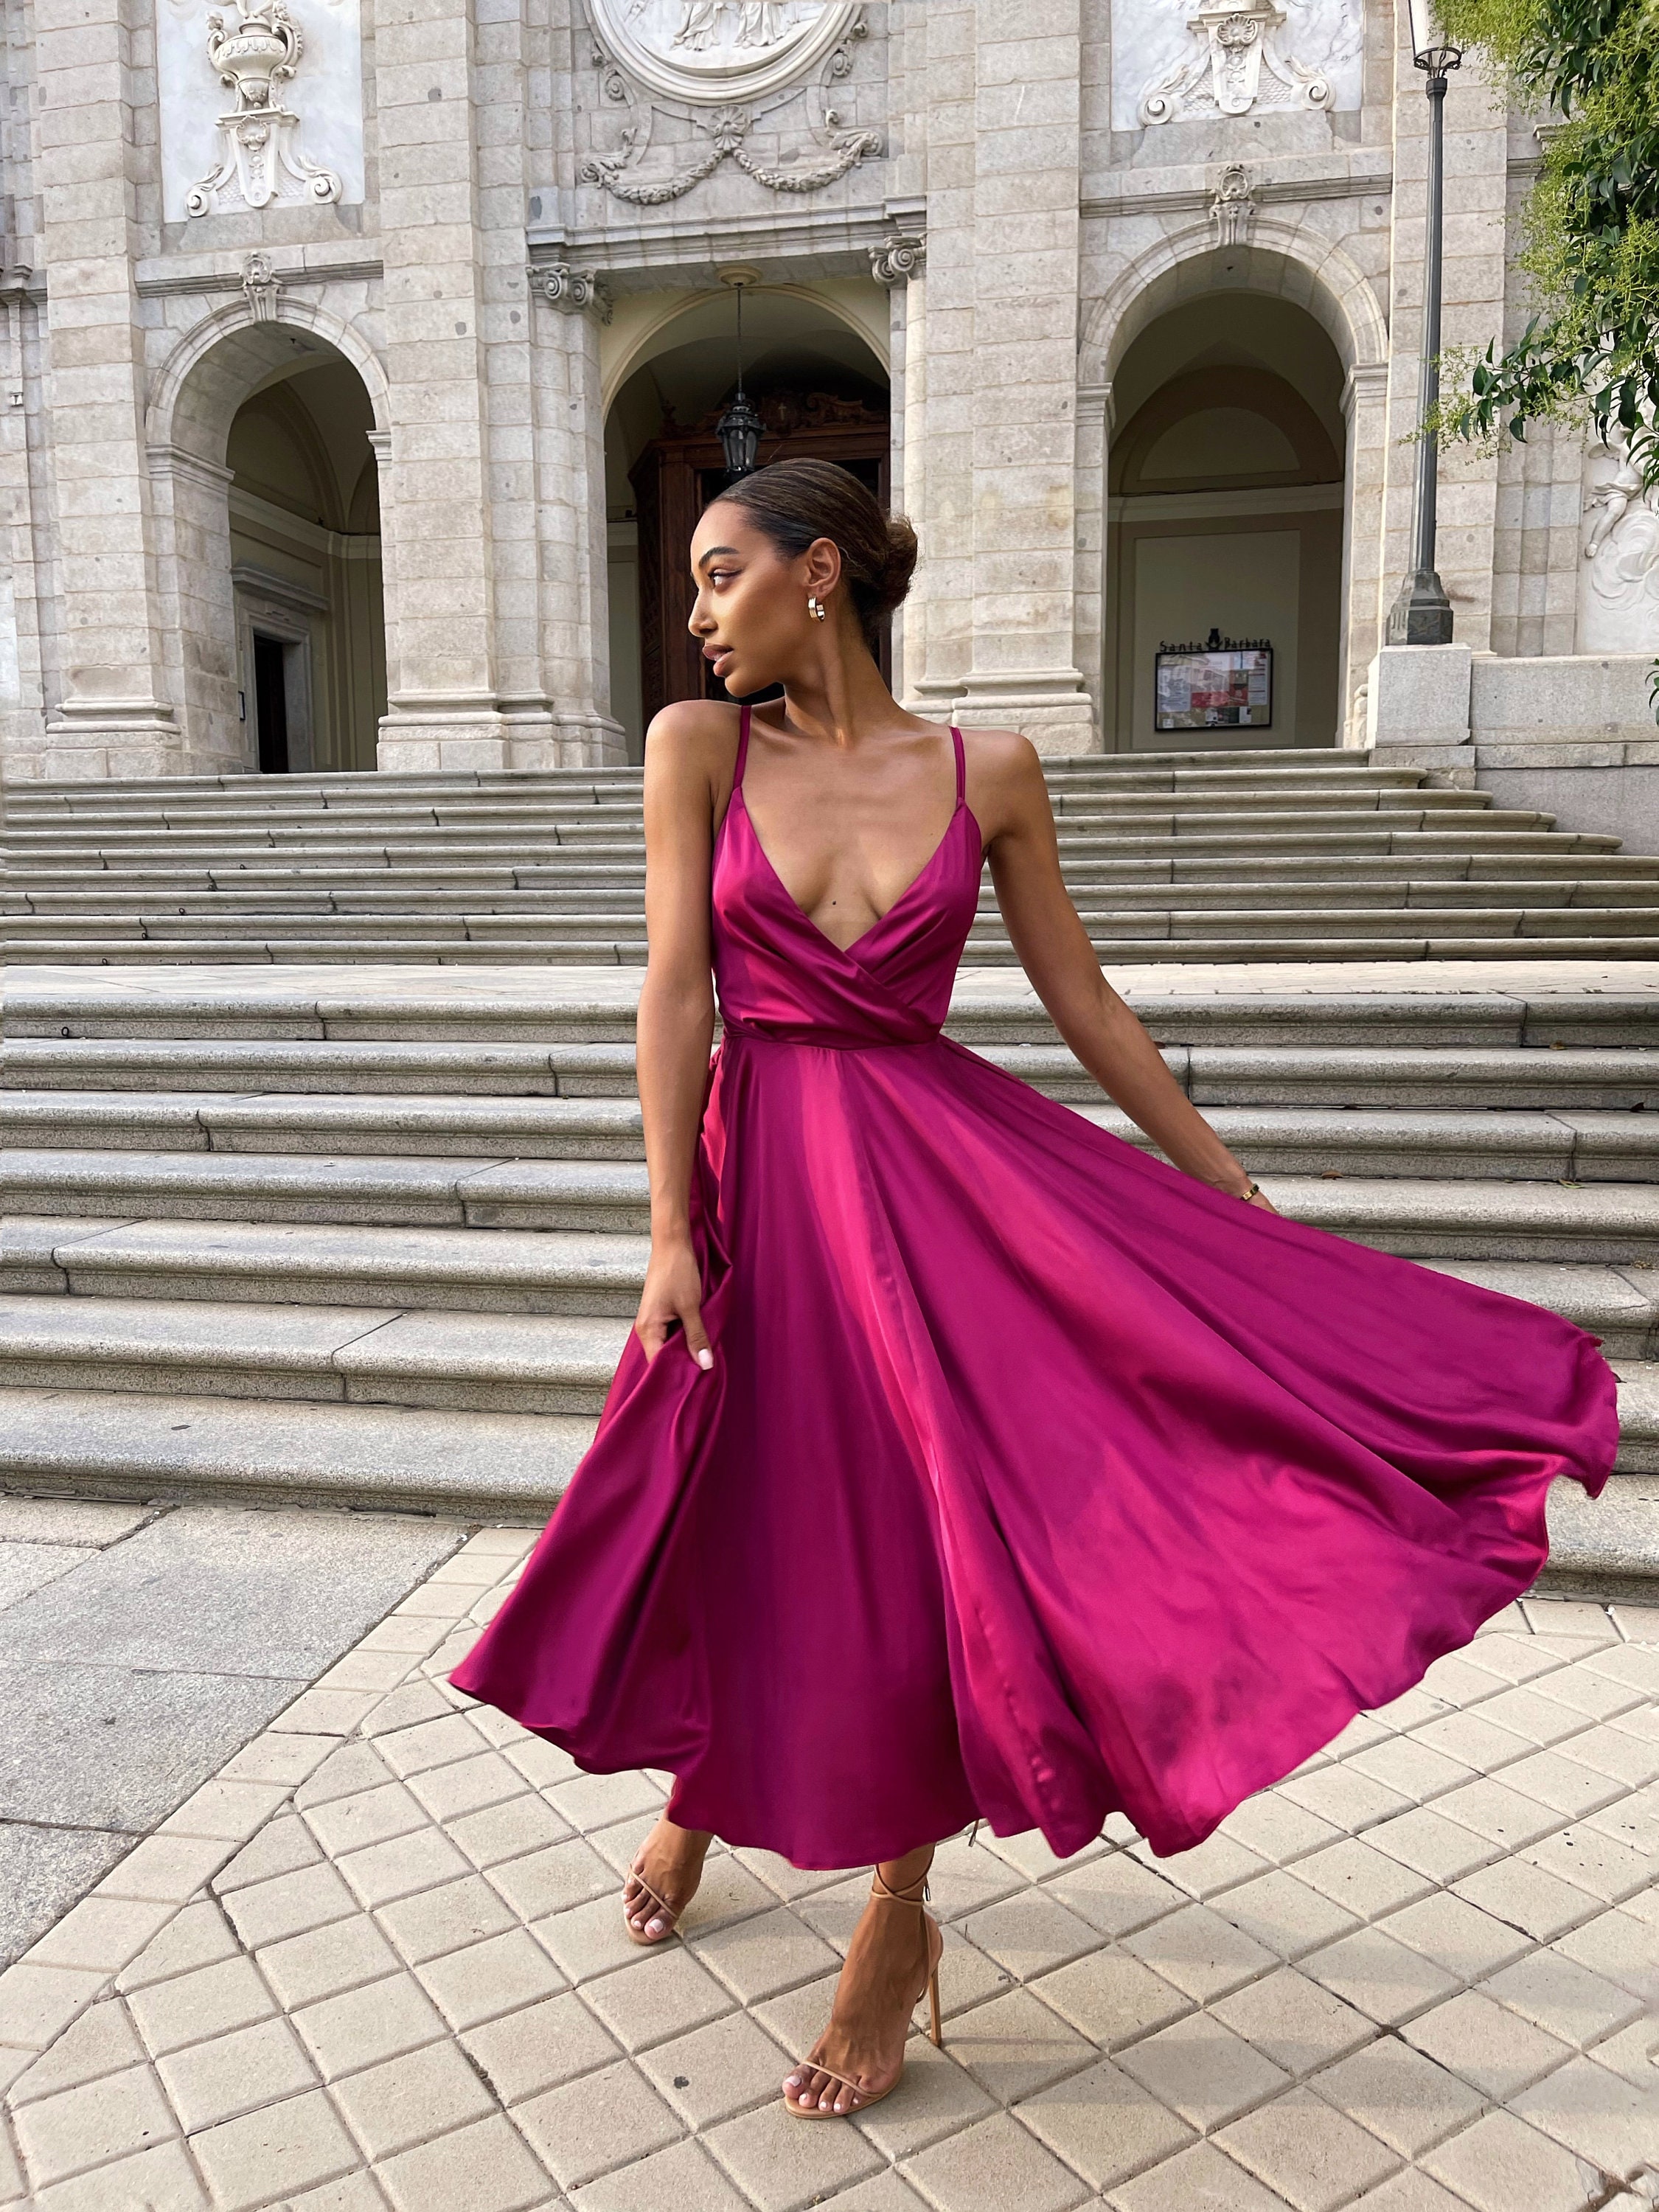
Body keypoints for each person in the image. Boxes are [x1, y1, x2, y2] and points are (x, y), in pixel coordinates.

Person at [451, 457, 1618, 2120]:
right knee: (738, 1500)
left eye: (723, 574)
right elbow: (673, 993)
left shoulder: (990, 770)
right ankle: (707, 1788)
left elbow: (1087, 1007)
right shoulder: (696, 746)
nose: (698, 613)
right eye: (696, 583)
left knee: (928, 1542)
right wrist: (661, 1232)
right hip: (762, 1185)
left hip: (939, 1192)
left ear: (823, 574)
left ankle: (901, 1916)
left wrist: (1230, 1196)